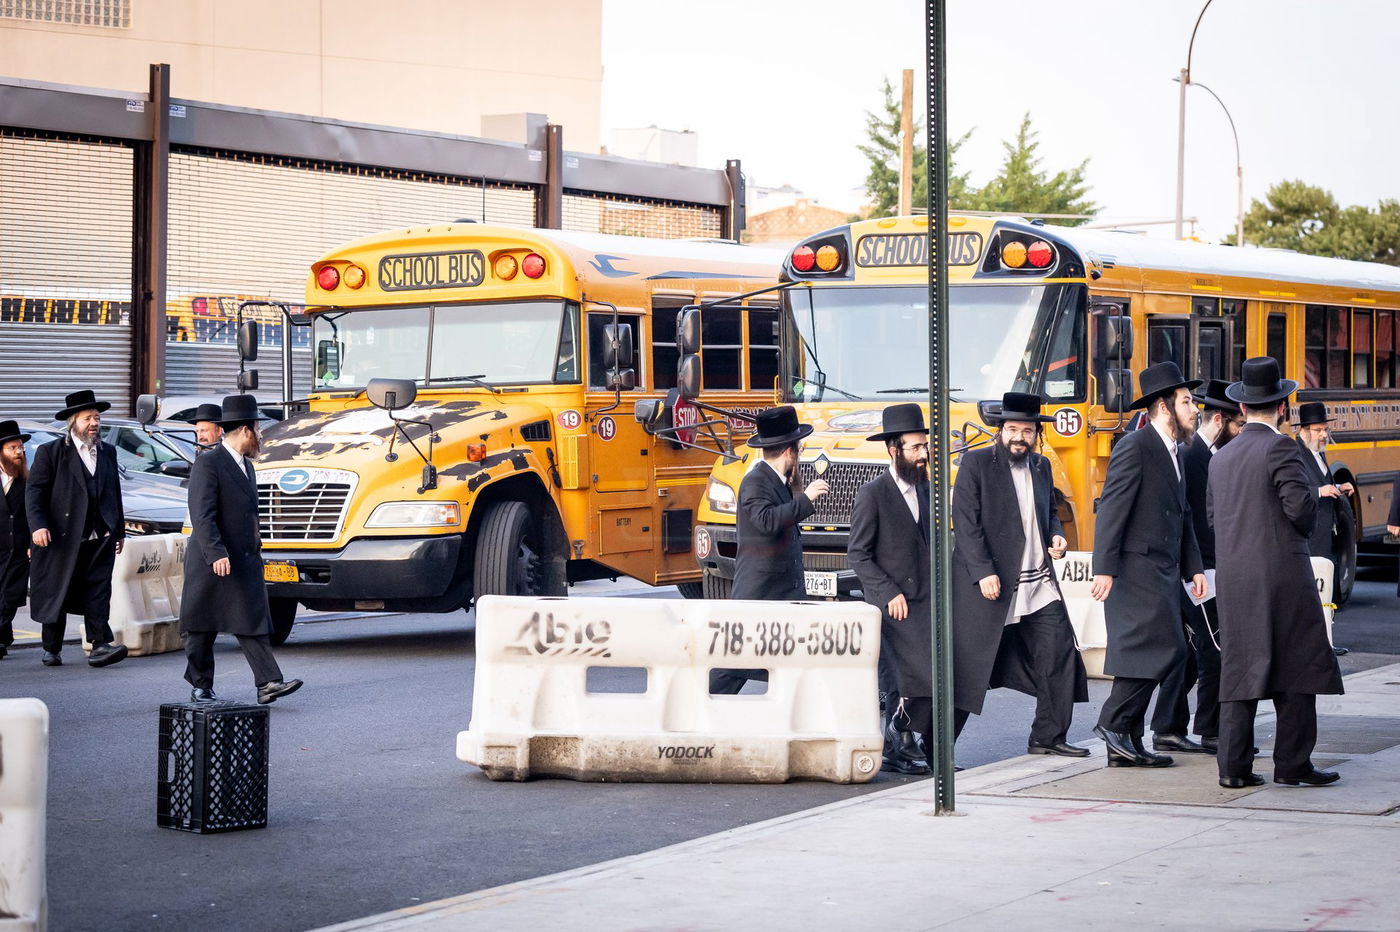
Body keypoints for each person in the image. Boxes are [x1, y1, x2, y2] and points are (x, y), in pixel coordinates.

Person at [1208, 357, 1344, 788]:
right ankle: (1292, 763)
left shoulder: (1221, 456)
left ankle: (1233, 768)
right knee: (1300, 667)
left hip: (1233, 578)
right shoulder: (1281, 447)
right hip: (1282, 574)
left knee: (1240, 669)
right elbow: (1301, 510)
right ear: (1283, 407)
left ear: (1243, 409)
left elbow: (1213, 517)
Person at [948, 392, 1088, 757]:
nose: (1018, 437)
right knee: (970, 670)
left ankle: (1048, 737)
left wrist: (1056, 534)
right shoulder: (976, 464)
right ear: (1000, 430)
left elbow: (1048, 514)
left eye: (1026, 431)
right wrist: (982, 573)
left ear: (1036, 435)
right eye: (1012, 429)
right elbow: (965, 525)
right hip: (992, 586)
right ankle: (935, 750)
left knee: (1060, 655)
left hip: (1038, 585)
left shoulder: (1041, 467)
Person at [1091, 362, 1207, 768]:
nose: (1195, 409)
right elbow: (1111, 509)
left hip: (1164, 570)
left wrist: (1193, 566)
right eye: (1188, 402)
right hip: (1135, 569)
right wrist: (1103, 567)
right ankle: (1113, 724)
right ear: (1163, 407)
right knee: (1164, 649)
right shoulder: (1135, 446)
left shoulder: (1176, 450)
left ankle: (1125, 742)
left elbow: (1184, 514)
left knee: (1161, 651)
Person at [180, 394, 302, 704]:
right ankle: (201, 686)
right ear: (246, 431)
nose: (261, 436)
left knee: (251, 620)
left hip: (244, 559)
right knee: (201, 626)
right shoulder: (209, 463)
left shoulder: (246, 466)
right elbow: (201, 514)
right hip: (213, 559)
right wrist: (216, 553)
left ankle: (268, 683)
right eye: (259, 430)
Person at [712, 405, 828, 695]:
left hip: (780, 595)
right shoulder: (755, 480)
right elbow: (765, 522)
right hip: (760, 593)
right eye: (799, 450)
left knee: (790, 666)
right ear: (790, 451)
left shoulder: (776, 481)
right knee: (734, 665)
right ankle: (698, 710)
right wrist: (807, 499)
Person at [1150, 379, 1236, 754]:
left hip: (1205, 567)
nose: (1241, 433)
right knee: (1215, 648)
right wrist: (1196, 571)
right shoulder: (1192, 454)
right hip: (1197, 569)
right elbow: (1189, 520)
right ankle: (1211, 730)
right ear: (1221, 420)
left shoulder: (1204, 453)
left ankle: (1168, 726)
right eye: (1239, 426)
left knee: (1187, 653)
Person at [847, 403, 933, 775]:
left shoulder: (927, 487)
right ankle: (898, 741)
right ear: (893, 450)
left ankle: (907, 740)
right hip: (894, 603)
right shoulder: (874, 493)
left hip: (928, 599)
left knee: (935, 675)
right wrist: (887, 593)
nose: (923, 454)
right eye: (914, 448)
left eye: (924, 446)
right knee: (904, 678)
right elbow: (859, 554)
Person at [26, 389, 128, 668]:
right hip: (61, 536)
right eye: (88, 419)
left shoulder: (108, 452)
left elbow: (114, 493)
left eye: (97, 418)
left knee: (98, 590)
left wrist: (118, 530)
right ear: (73, 422)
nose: (94, 423)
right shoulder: (51, 453)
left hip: (100, 537)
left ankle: (99, 645)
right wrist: (38, 526)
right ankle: (51, 647)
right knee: (58, 589)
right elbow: (34, 492)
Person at [1293, 401, 1354, 657]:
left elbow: (1326, 485)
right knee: (1312, 594)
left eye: (1324, 430)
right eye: (1318, 430)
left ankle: (1326, 641)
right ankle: (1314, 645)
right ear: (1304, 430)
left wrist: (1340, 489)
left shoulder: (1318, 453)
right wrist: (1320, 491)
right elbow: (1292, 492)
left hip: (1325, 535)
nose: (1323, 435)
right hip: (1308, 536)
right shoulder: (1295, 453)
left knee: (1326, 593)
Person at [0, 421, 32, 659]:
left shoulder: (28, 481)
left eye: (21, 448)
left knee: (11, 595)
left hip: (20, 549)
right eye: (13, 448)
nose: (19, 453)